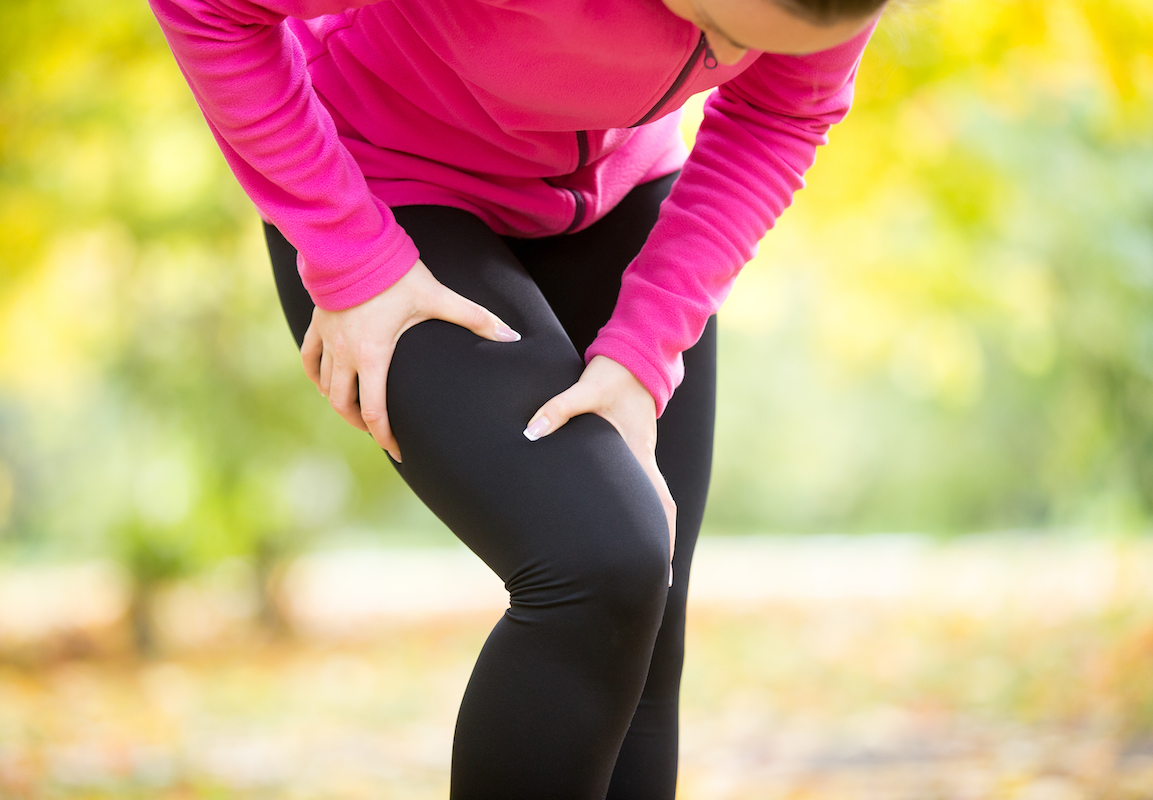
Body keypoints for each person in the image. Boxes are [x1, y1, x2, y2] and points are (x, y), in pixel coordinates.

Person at [148, 0, 884, 794]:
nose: (708, 56)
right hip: (390, 185)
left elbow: (781, 115)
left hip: (620, 193)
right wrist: (350, 255)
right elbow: (207, 10)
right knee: (599, 563)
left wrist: (642, 355)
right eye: (722, 33)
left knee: (644, 624)